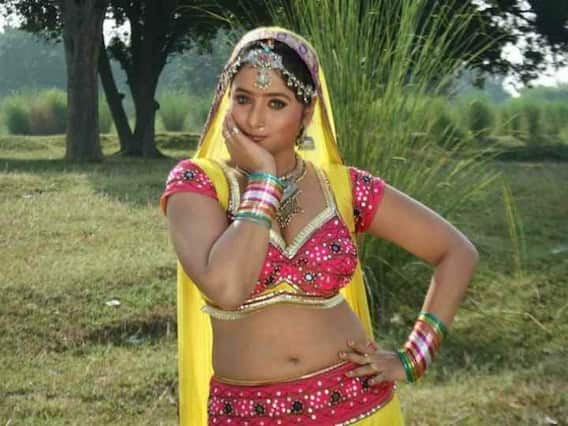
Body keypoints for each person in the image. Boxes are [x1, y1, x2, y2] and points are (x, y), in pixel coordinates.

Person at [160, 27, 478, 425]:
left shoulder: (343, 188)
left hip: (357, 406)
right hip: (248, 415)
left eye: (277, 103)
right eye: (243, 99)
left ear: (306, 113)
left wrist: (413, 357)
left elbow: (456, 252)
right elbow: (227, 289)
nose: (255, 119)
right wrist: (264, 180)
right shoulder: (199, 184)